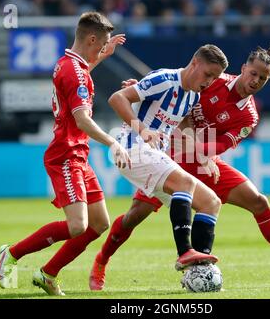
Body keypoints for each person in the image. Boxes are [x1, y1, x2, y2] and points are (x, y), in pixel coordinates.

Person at [89, 41, 270, 290]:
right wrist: (139, 94)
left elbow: (218, 146)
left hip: (203, 160)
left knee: (258, 201)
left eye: (263, 78)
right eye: (253, 73)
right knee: (134, 216)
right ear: (243, 69)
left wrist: (201, 154)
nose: (256, 80)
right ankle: (101, 261)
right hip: (170, 152)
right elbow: (174, 87)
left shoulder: (249, 116)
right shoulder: (213, 78)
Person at [0, 12, 130, 296]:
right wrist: (113, 143)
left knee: (99, 223)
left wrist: (103, 56)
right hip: (66, 155)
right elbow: (82, 120)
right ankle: (12, 254)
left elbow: (80, 78)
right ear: (91, 39)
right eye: (102, 44)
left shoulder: (67, 64)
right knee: (78, 225)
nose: (103, 48)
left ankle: (48, 273)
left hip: (77, 154)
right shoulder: (74, 72)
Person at [89, 44, 229, 290]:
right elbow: (117, 98)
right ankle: (185, 252)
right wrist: (142, 129)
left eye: (215, 78)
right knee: (185, 184)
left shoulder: (193, 95)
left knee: (211, 202)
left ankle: (199, 268)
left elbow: (182, 124)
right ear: (194, 62)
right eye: (208, 74)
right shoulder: (164, 79)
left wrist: (203, 155)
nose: (210, 81)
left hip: (155, 156)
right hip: (133, 149)